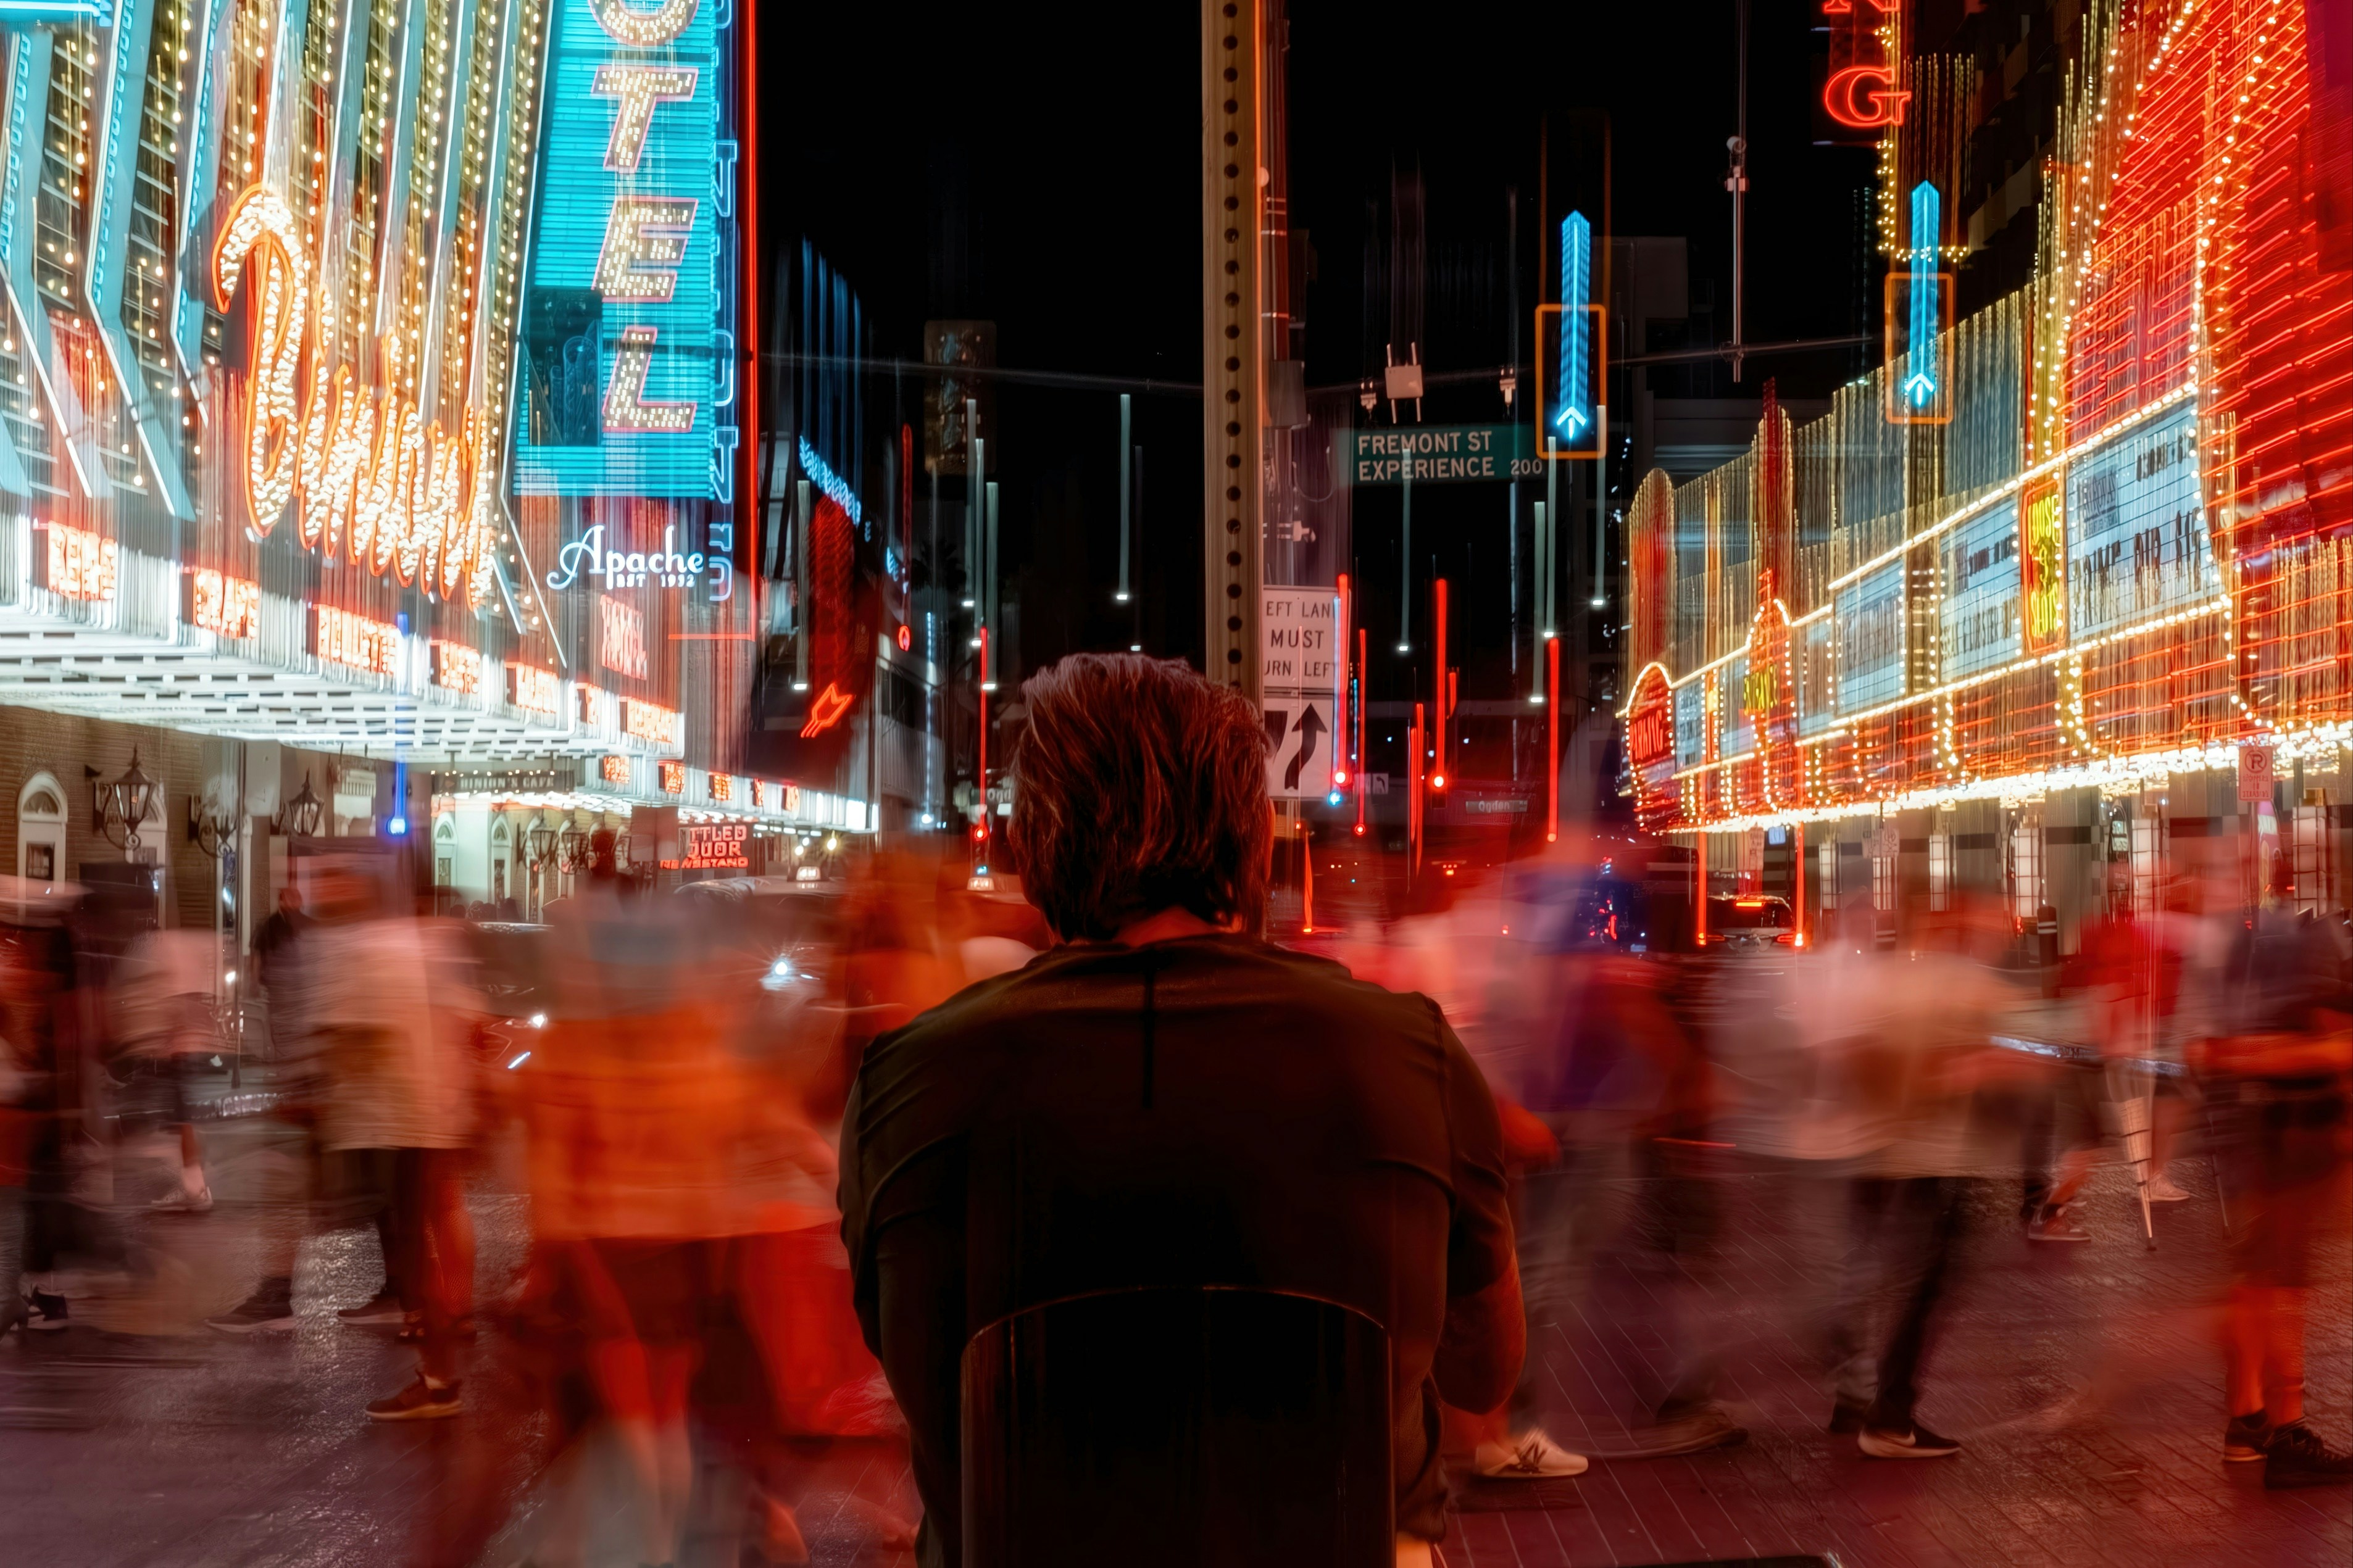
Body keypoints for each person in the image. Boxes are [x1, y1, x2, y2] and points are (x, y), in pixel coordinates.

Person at [840, 653, 1525, 1567]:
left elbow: (915, 1370)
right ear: (1250, 834)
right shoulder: (1409, 1056)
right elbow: (1485, 1368)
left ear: (1030, 844)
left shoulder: (909, 1083)